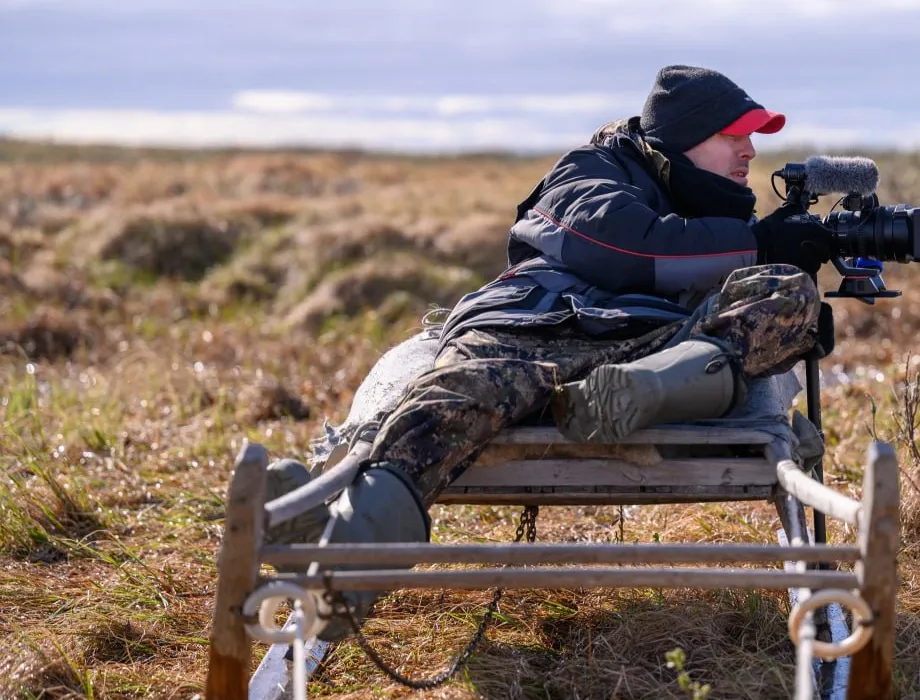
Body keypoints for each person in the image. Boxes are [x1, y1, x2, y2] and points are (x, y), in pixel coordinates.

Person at [266, 64, 837, 639]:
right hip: (536, 329)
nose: (749, 151)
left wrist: (782, 258)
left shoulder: (725, 210)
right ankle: (339, 567)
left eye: (752, 138)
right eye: (734, 136)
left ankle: (635, 394)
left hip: (653, 346)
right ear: (685, 141)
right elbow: (620, 246)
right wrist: (758, 243)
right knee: (449, 397)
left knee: (788, 294)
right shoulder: (590, 171)